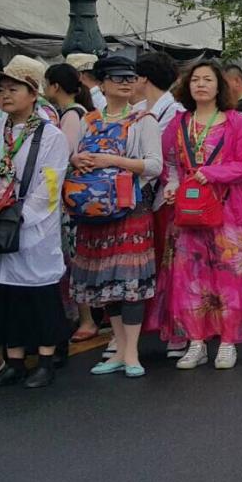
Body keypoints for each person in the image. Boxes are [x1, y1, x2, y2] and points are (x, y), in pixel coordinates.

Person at [159, 61, 242, 370]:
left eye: (207, 79)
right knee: (189, 277)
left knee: (230, 276)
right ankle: (196, 342)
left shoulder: (237, 122)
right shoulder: (179, 123)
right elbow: (170, 162)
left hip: (229, 212)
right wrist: (172, 185)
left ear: (220, 86)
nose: (201, 84)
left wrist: (213, 173)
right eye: (195, 80)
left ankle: (228, 342)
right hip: (189, 214)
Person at [69, 54, 163, 379]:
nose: (125, 83)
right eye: (117, 78)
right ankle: (119, 349)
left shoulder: (144, 120)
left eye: (130, 78)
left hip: (129, 209)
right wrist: (77, 159)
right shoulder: (88, 120)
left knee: (130, 282)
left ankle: (131, 351)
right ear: (102, 83)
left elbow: (154, 165)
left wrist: (112, 160)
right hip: (94, 212)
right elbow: (73, 156)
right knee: (106, 283)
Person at [0, 57, 70, 388]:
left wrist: (21, 214)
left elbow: (50, 184)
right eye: (2, 89)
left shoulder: (50, 135)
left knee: (39, 293)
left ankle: (45, 359)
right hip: (2, 221)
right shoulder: (0, 128)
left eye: (13, 89)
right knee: (7, 294)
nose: (5, 95)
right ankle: (14, 360)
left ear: (32, 94)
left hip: (33, 224)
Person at [133, 51, 187, 359]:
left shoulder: (176, 112)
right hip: (142, 197)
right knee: (150, 264)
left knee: (173, 265)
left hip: (167, 195)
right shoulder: (138, 110)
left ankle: (178, 328)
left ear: (143, 79)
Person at [45, 64, 100, 342]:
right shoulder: (79, 112)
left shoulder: (70, 115)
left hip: (69, 198)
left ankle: (85, 318)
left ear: (55, 86)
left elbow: (64, 157)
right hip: (75, 196)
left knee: (73, 259)